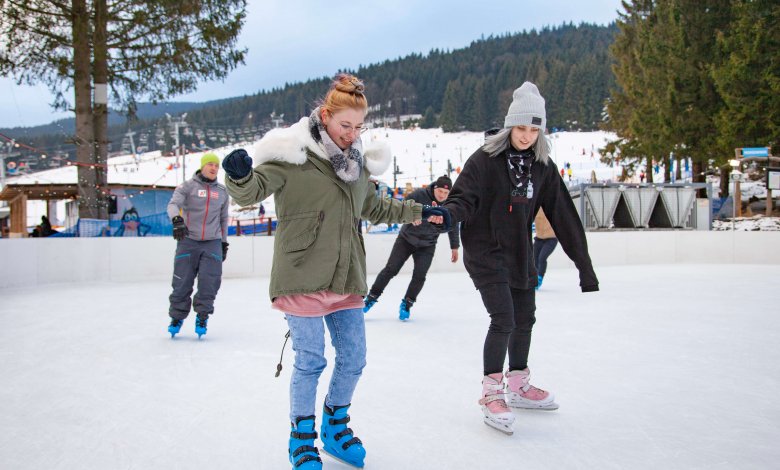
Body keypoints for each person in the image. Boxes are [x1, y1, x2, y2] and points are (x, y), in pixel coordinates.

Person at [220, 74, 447, 470]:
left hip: (346, 276)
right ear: (325, 117)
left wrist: (419, 212)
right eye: (346, 126)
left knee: (354, 357)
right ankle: (301, 438)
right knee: (310, 360)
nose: (352, 134)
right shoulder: (292, 155)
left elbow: (375, 207)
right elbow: (250, 191)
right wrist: (239, 175)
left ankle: (335, 426)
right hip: (301, 273)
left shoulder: (357, 166)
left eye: (359, 127)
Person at [441, 82, 598, 435]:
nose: (526, 136)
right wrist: (449, 215)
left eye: (533, 129)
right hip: (485, 251)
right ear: (510, 126)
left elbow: (564, 216)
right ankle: (492, 390)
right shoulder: (484, 160)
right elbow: (463, 197)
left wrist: (584, 267)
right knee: (504, 319)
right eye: (521, 128)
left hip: (519, 252)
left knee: (526, 318)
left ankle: (518, 383)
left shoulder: (542, 166)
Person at [363, 174, 460, 320]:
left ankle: (407, 303)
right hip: (406, 240)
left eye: (446, 193)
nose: (442, 195)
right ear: (435, 188)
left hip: (428, 244)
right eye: (440, 191)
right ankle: (371, 298)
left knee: (420, 276)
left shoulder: (449, 204)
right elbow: (402, 207)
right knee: (390, 269)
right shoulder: (420, 195)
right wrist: (410, 217)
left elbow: (453, 224)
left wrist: (455, 247)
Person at [166, 152, 230, 339]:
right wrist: (177, 220)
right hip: (188, 241)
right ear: (202, 166)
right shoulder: (187, 187)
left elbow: (224, 219)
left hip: (212, 242)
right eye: (210, 164)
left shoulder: (222, 192)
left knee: (210, 282)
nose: (213, 168)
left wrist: (224, 242)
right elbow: (172, 205)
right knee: (182, 282)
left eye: (216, 165)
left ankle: (202, 316)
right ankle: (176, 317)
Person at [532, 208, 558, 290]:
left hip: (551, 238)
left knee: (542, 258)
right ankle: (534, 278)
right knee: (534, 258)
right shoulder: (534, 207)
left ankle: (539, 278)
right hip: (539, 239)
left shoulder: (551, 206)